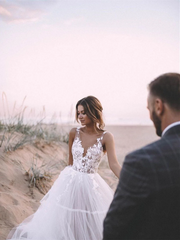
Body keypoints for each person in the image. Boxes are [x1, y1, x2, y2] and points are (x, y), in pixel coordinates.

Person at [7, 96, 121, 240]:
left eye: (84, 112)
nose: (80, 116)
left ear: (94, 112)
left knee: (89, 221)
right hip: (70, 182)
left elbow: (114, 165)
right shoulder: (74, 133)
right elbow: (71, 163)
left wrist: (130, 181)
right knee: (66, 217)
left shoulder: (106, 137)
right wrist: (66, 185)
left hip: (91, 185)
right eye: (78, 112)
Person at [103, 72, 180, 240]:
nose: (150, 115)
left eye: (149, 108)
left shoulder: (142, 161)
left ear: (159, 107)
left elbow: (114, 230)